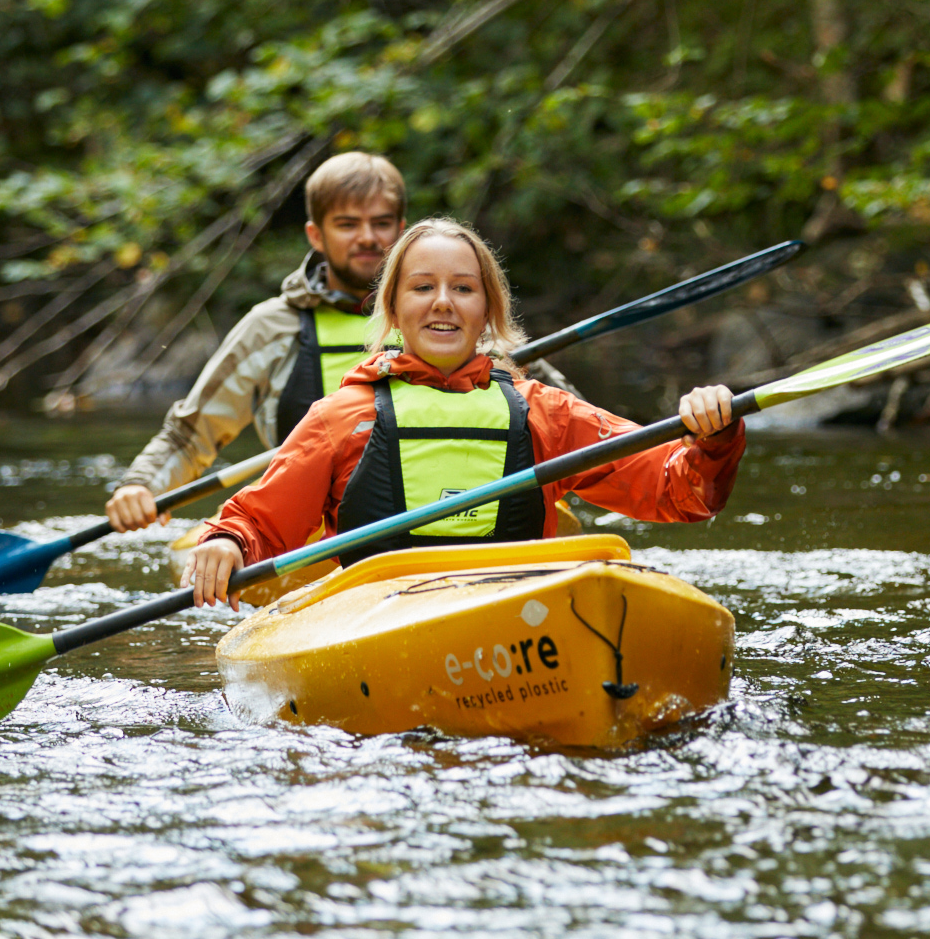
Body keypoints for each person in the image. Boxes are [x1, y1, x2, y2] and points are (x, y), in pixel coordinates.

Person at [178, 218, 743, 603]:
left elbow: (679, 491)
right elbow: (259, 522)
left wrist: (713, 437)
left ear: (489, 311)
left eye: (464, 289)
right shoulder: (341, 418)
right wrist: (226, 543)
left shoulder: (543, 414)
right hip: (380, 620)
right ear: (393, 308)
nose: (444, 302)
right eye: (423, 287)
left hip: (512, 614)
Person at [103, 151, 405, 535]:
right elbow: (190, 435)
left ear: (401, 230)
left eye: (381, 223)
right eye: (347, 224)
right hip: (302, 537)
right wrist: (140, 485)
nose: (367, 238)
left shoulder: (440, 320)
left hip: (412, 526)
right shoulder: (272, 327)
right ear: (316, 235)